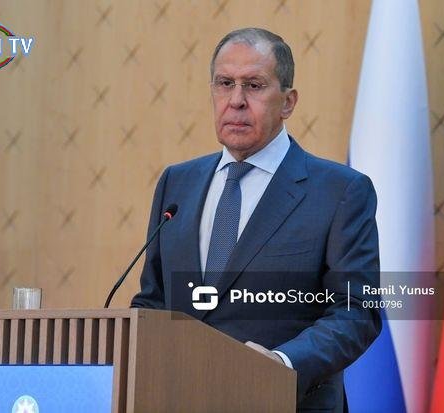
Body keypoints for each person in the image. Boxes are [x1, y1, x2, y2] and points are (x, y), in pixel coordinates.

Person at [131, 27, 381, 412]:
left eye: (254, 85)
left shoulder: (340, 191)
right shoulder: (177, 183)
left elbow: (357, 311)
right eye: (225, 83)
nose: (236, 101)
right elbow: (153, 301)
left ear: (288, 102)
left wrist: (281, 363)